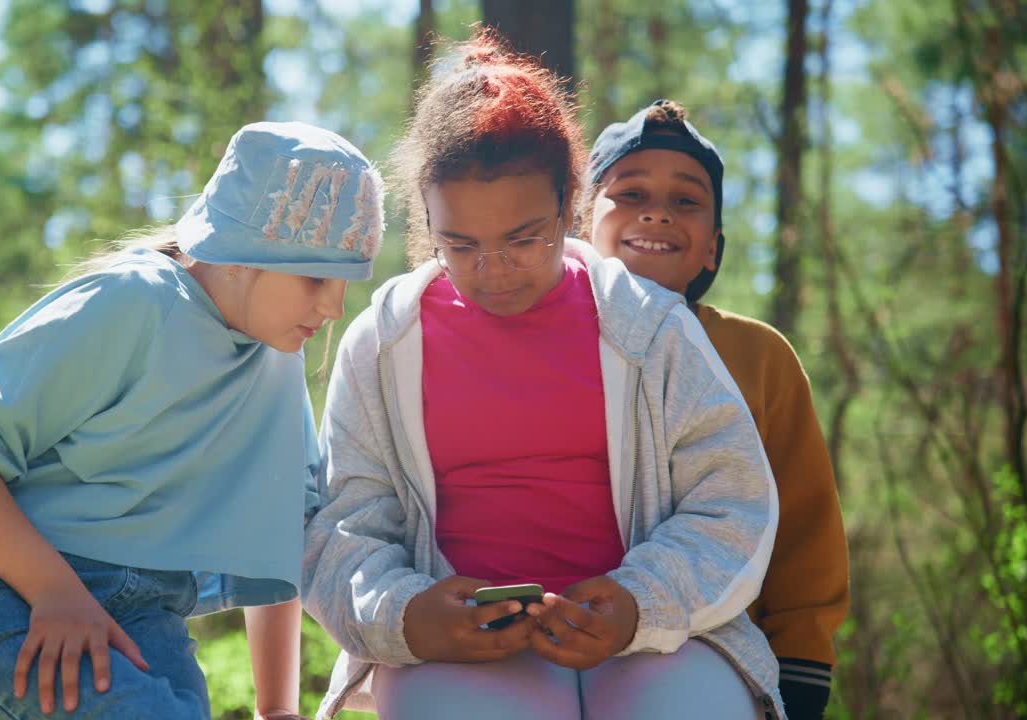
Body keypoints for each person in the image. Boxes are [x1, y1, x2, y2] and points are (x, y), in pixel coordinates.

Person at [302, 31, 785, 720]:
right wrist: (407, 615)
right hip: (457, 654)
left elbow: (731, 502)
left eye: (524, 238)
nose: (491, 269)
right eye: (460, 244)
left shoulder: (651, 329)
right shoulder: (381, 344)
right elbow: (345, 527)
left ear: (569, 206)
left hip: (657, 642)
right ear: (427, 220)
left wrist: (637, 603)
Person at [0, 121, 385, 720]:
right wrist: (56, 591)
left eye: (344, 285)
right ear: (242, 253)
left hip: (140, 609)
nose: (332, 308)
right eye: (314, 279)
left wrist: (277, 710)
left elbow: (276, 530)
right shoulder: (136, 301)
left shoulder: (277, 359)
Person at [584, 99, 850, 720]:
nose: (657, 211)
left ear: (713, 248)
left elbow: (804, 537)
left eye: (686, 201)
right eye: (629, 192)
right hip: (550, 635)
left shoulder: (758, 357)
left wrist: (802, 674)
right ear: (580, 224)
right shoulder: (537, 345)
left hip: (709, 650)